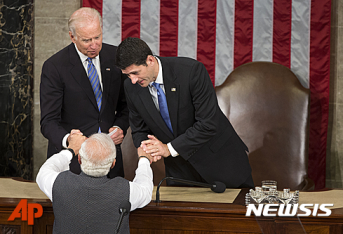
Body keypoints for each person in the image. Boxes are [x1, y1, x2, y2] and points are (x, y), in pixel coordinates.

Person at [115, 37, 254, 188]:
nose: (133, 80)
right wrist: (145, 148)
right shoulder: (131, 87)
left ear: (150, 60)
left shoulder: (191, 72)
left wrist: (168, 149)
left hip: (221, 163)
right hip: (180, 172)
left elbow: (208, 123)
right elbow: (139, 129)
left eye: (135, 73)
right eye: (127, 75)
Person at [40, 7, 129, 178]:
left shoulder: (115, 57)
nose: (94, 45)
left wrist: (120, 126)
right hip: (71, 163)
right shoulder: (55, 67)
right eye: (87, 40)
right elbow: (48, 122)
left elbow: (127, 106)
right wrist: (69, 140)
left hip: (110, 160)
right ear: (72, 37)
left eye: (98, 37)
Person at [36, 133, 153, 234]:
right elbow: (146, 189)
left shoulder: (58, 184)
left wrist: (71, 150)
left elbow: (45, 171)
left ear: (80, 159)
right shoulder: (126, 190)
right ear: (113, 164)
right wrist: (144, 159)